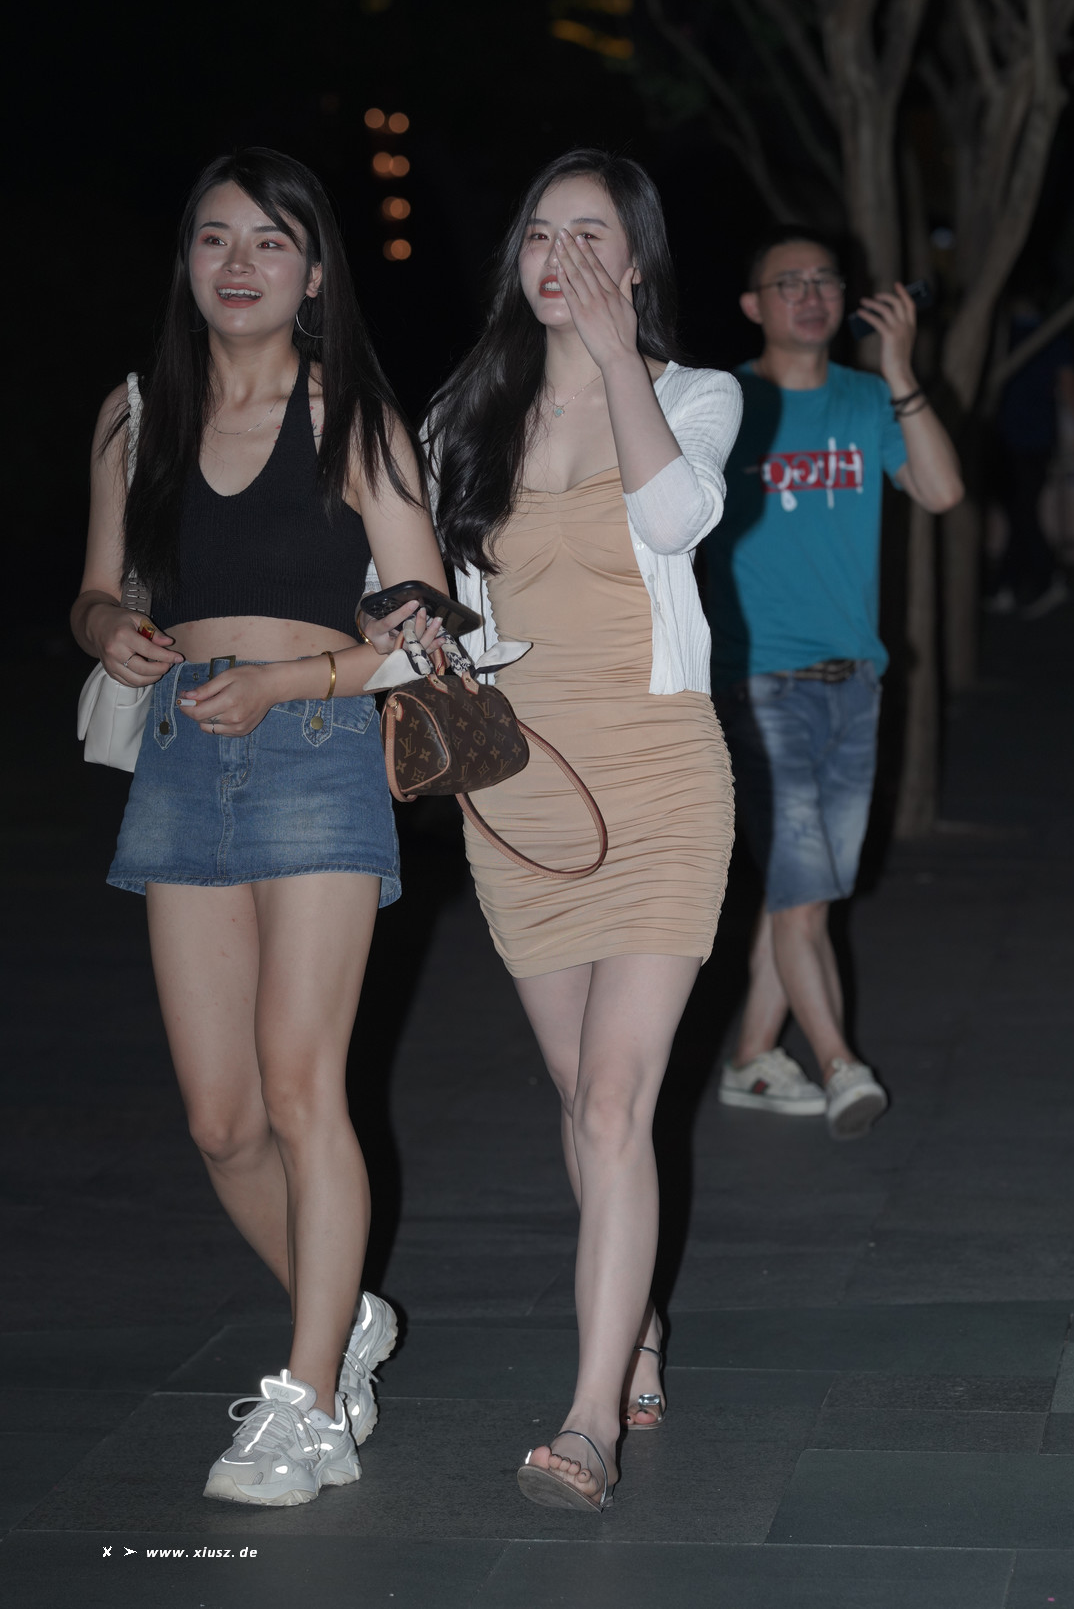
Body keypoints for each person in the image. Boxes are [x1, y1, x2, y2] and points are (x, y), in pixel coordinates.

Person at [71, 147, 448, 1505]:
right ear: (188, 260)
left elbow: (426, 618)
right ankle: (341, 1318)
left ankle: (307, 1406)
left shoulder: (354, 418)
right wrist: (109, 631)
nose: (239, 264)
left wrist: (296, 679)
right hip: (181, 757)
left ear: (314, 272)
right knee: (222, 1123)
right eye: (216, 238)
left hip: (318, 750)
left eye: (270, 242)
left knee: (300, 1089)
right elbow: (96, 590)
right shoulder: (135, 416)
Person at [428, 149, 742, 1512]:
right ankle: (640, 1321)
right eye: (539, 232)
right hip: (520, 795)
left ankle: (590, 1415)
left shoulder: (693, 394)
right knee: (579, 1103)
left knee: (616, 1099)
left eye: (590, 235)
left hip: (661, 776)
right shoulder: (463, 412)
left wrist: (621, 362)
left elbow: (675, 519)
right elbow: (417, 583)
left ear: (635, 260)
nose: (558, 255)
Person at [705, 226, 963, 1139]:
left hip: (856, 682)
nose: (810, 295)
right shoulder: (722, 404)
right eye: (789, 282)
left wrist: (899, 368)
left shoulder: (866, 398)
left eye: (825, 280)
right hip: (757, 683)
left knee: (800, 892)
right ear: (753, 305)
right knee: (804, 889)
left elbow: (940, 490)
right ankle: (840, 1062)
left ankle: (750, 1059)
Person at [986, 291, 1074, 618]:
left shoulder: (1043, 334)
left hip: (1028, 438)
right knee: (1018, 512)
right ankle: (1010, 583)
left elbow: (1069, 385)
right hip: (1012, 436)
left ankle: (1043, 579)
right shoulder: (1004, 334)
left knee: (1022, 512)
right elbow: (1069, 384)